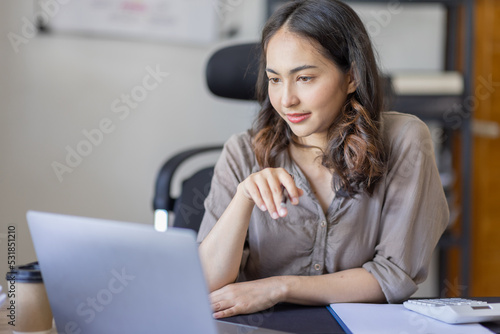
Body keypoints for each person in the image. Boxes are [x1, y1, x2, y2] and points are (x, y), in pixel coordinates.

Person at [197, 0, 449, 319]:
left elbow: (395, 275)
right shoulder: (241, 152)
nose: (286, 99)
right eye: (275, 79)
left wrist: (280, 287)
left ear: (351, 77)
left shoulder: (404, 139)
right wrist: (244, 197)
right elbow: (205, 285)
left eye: (305, 78)